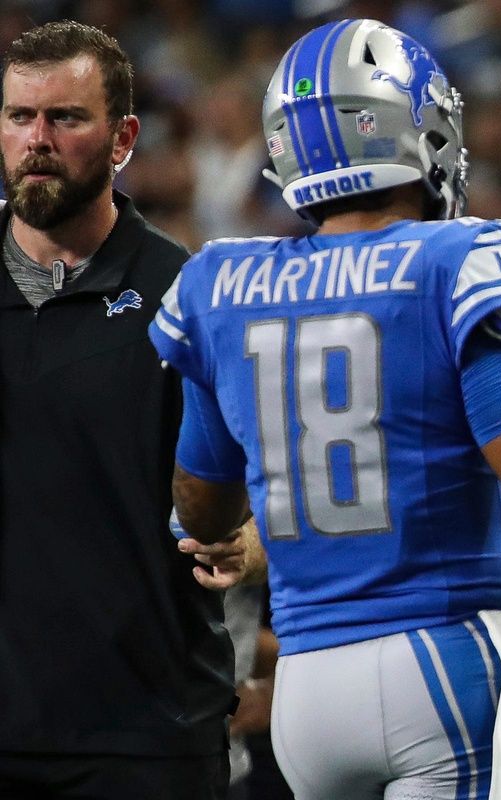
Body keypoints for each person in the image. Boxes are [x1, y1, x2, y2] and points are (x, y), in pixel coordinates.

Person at [149, 19, 501, 800]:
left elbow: (202, 510)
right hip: (445, 658)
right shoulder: (461, 258)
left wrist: (241, 539)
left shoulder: (220, 283)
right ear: (423, 128)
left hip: (308, 695)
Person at [0, 20, 239, 798]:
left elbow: (274, 482)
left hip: (145, 736)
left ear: (123, 136)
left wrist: (251, 543)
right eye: (18, 117)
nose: (37, 140)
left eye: (65, 118)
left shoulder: (190, 296)